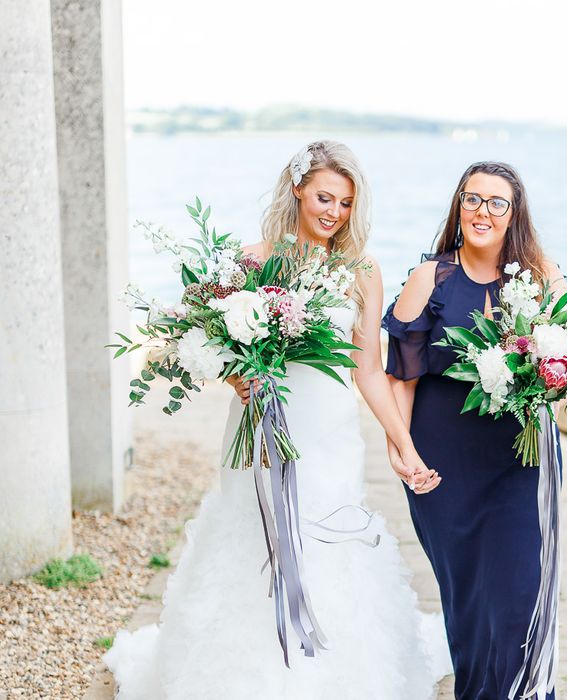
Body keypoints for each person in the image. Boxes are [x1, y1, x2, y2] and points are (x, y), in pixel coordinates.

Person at [105, 141, 450, 699]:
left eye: (344, 203)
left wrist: (403, 445)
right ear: (297, 190)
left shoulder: (362, 271)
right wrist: (234, 374)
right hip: (262, 430)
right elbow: (205, 340)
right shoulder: (252, 260)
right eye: (323, 197)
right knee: (252, 536)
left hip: (331, 436)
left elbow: (368, 371)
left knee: (330, 545)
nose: (333, 212)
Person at [383, 161, 567, 700]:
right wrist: (401, 447)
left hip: (522, 461)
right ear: (457, 205)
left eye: (496, 202)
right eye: (472, 199)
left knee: (519, 604)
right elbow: (401, 378)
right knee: (468, 609)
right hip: (444, 469)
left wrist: (549, 276)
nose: (482, 211)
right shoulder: (430, 278)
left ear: (515, 214)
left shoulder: (539, 277)